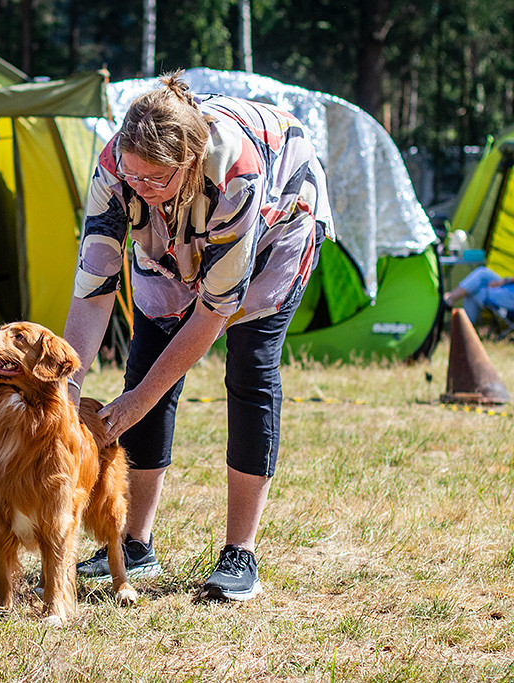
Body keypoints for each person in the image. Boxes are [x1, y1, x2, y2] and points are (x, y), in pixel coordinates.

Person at [64, 71, 334, 601]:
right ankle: (134, 544)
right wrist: (67, 388)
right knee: (146, 362)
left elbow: (213, 313)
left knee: (250, 370)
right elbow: (93, 291)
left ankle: (240, 553)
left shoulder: (236, 173)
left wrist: (139, 402)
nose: (140, 186)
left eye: (155, 179)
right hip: (170, 240)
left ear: (188, 163)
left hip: (277, 224)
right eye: (133, 177)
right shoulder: (115, 169)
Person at [444, 266, 514, 323]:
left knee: (472, 290)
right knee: (482, 273)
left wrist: (503, 282)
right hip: (509, 287)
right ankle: (451, 297)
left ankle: (465, 326)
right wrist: (503, 282)